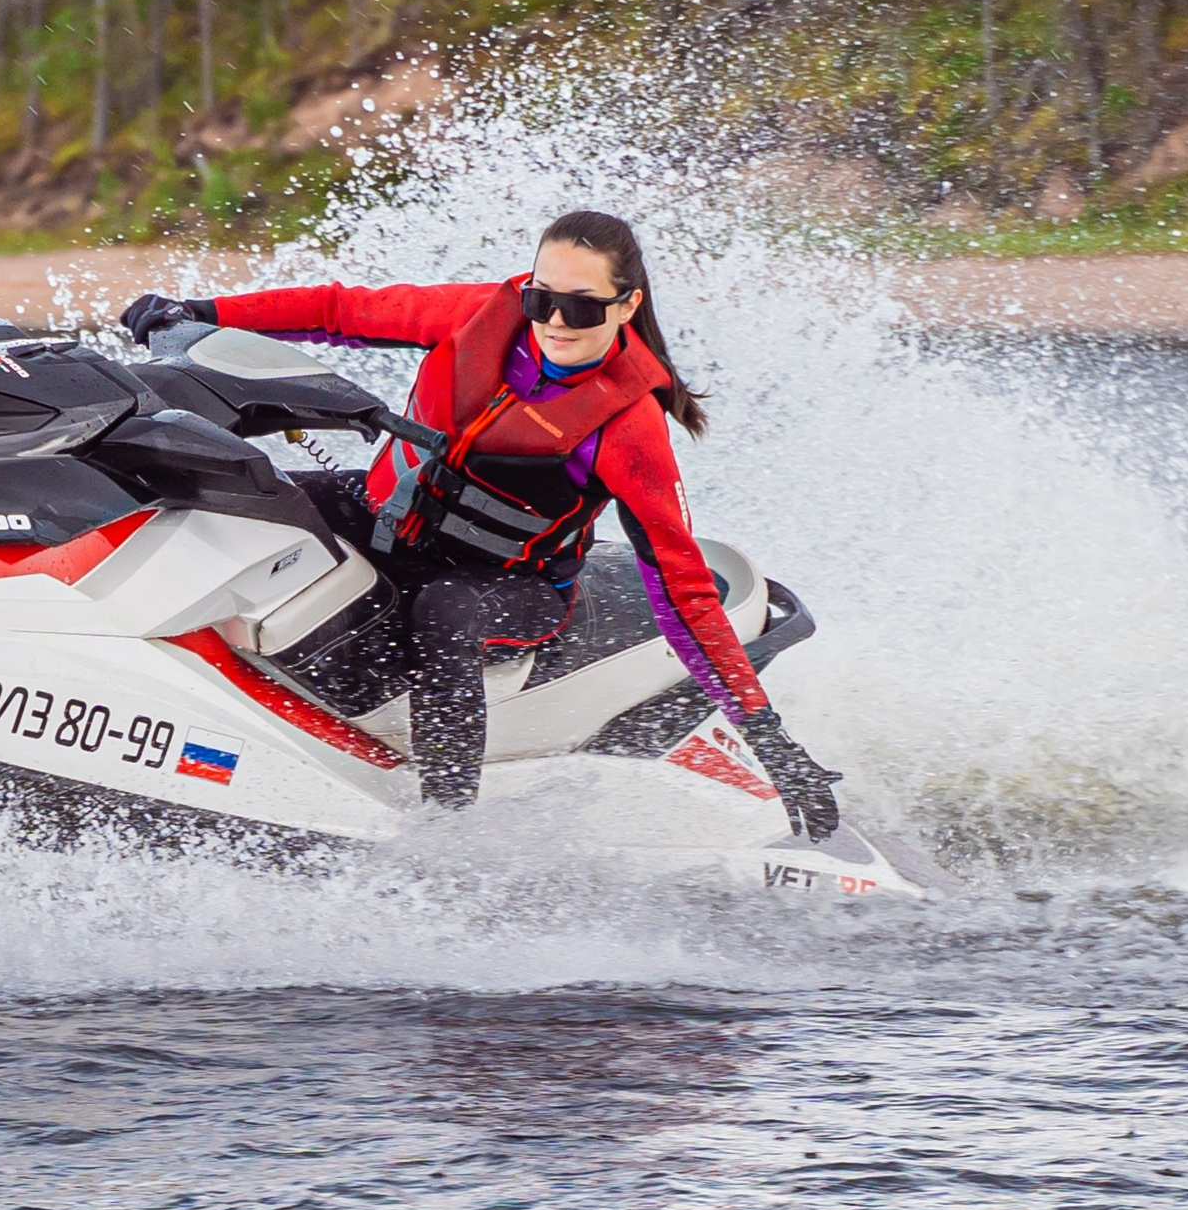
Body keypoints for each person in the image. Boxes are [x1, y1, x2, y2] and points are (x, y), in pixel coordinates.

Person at [121, 210, 840, 837]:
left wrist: (769, 739)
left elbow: (682, 588)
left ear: (626, 307)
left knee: (444, 610)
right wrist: (200, 311)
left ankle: (447, 828)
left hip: (505, 582)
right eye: (541, 297)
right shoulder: (478, 317)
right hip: (390, 524)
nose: (556, 320)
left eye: (582, 308)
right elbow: (341, 311)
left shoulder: (627, 428)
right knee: (239, 489)